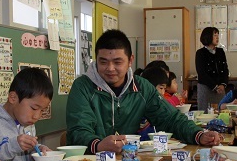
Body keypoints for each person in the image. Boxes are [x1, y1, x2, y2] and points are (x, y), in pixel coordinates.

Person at [66, 29, 222, 154]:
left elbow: (170, 118)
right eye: (103, 62)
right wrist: (98, 145)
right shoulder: (83, 87)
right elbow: (78, 129)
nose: (110, 68)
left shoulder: (142, 87)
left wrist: (199, 135)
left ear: (130, 60)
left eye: (117, 62)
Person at [195, 27, 229, 111]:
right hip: (206, 88)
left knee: (221, 112)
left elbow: (225, 70)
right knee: (205, 113)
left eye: (218, 35)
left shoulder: (220, 52)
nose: (217, 37)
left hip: (220, 89)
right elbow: (201, 73)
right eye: (215, 35)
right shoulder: (200, 53)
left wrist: (223, 84)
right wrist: (215, 86)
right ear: (208, 37)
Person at [137, 66, 169, 140]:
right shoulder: (140, 104)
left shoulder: (159, 105)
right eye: (161, 88)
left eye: (164, 89)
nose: (163, 92)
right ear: (149, 87)